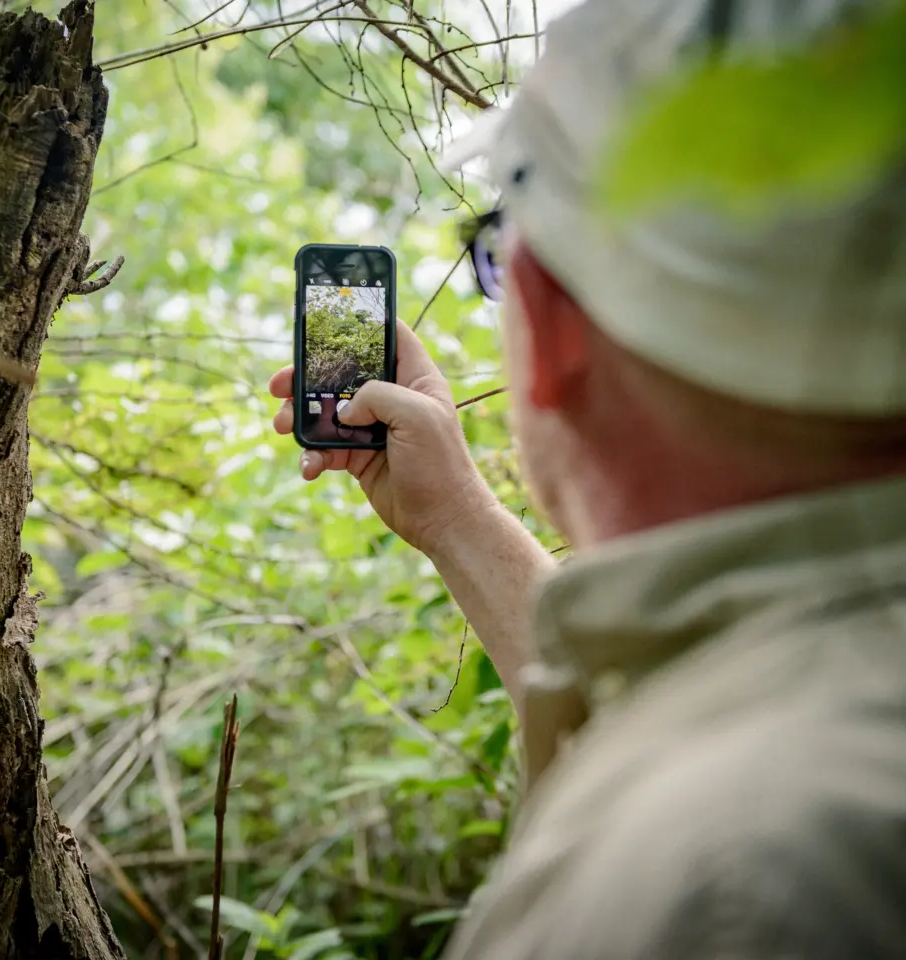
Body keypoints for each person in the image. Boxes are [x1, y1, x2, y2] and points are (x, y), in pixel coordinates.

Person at [270, 0, 906, 955]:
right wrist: (456, 520)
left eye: (498, 253)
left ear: (548, 317)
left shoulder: (715, 884)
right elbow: (678, 708)